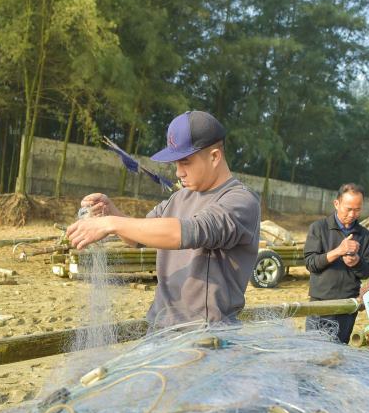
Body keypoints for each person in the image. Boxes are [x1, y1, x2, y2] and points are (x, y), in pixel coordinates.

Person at [66, 110, 261, 328]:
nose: (178, 173)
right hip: (159, 327)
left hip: (205, 337)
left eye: (185, 162)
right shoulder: (178, 198)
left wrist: (111, 224)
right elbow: (138, 238)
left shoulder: (241, 200)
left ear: (214, 156)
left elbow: (191, 231)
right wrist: (112, 213)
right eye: (176, 164)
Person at [302, 183, 369, 343]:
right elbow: (310, 263)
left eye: (357, 209)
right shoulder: (319, 228)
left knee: (338, 351)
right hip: (320, 303)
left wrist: (356, 262)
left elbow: (368, 271)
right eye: (348, 208)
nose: (352, 214)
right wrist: (337, 251)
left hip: (347, 304)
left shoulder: (365, 235)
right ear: (337, 204)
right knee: (312, 349)